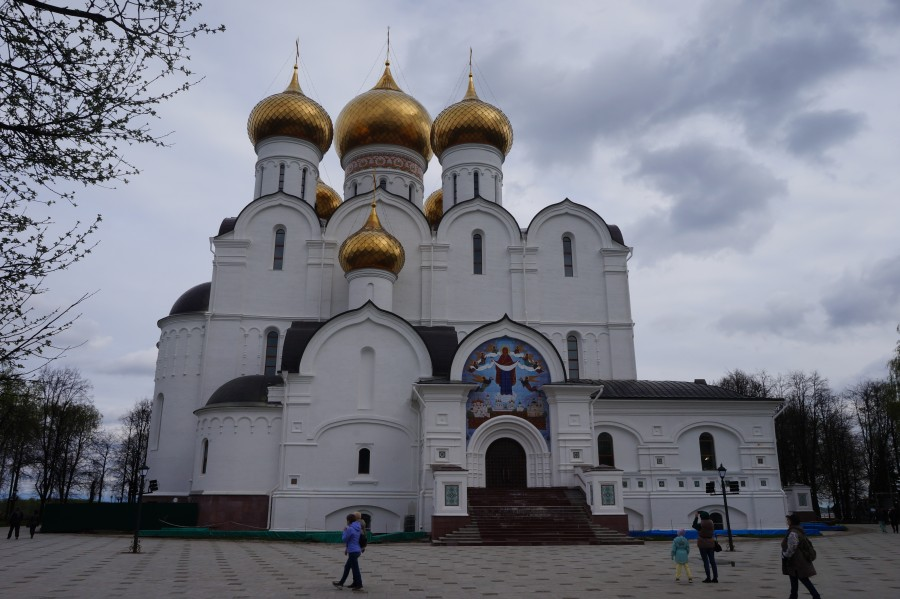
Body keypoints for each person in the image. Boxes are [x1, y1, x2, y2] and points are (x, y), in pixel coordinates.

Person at [782, 513, 821, 599]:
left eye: (788, 520)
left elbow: (792, 547)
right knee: (794, 580)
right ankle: (793, 596)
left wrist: (785, 555)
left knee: (803, 579)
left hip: (797, 561)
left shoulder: (793, 532)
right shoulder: (798, 530)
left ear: (792, 521)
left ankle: (816, 596)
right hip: (796, 560)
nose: (787, 522)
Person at [333, 513, 363, 591]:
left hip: (353, 551)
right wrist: (347, 548)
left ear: (348, 520)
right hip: (357, 550)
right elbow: (352, 539)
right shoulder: (358, 527)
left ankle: (359, 584)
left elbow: (344, 539)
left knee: (355, 568)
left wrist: (344, 531)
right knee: (348, 567)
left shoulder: (350, 528)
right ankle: (342, 583)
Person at [691, 511, 718, 583]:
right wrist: (700, 512)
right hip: (711, 543)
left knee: (706, 561)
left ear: (701, 517)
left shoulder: (701, 524)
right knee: (712, 561)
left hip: (702, 544)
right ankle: (715, 578)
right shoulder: (711, 523)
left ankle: (708, 578)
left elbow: (694, 525)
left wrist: (696, 517)